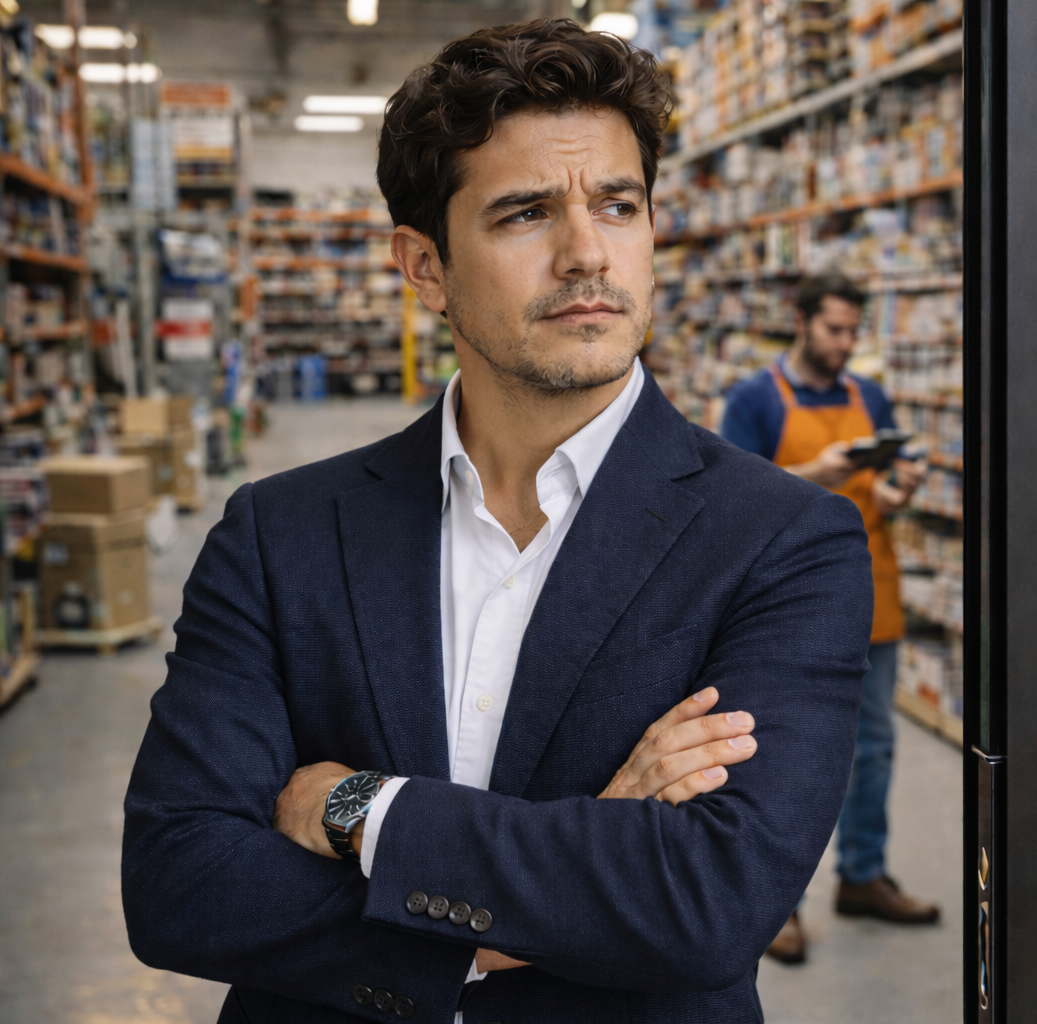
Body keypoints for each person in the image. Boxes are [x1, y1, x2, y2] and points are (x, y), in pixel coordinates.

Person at [120, 21, 875, 1024]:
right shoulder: (280, 534)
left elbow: (708, 902)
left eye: (618, 203)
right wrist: (575, 879)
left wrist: (358, 809)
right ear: (424, 267)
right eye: (525, 213)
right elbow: (182, 886)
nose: (586, 252)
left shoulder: (784, 541)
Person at [720, 272, 938, 966]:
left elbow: (884, 489)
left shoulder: (868, 395)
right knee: (780, 758)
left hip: (872, 591)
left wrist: (897, 488)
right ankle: (774, 904)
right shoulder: (755, 400)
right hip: (782, 608)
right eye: (833, 329)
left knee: (872, 751)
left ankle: (864, 876)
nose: (844, 344)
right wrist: (822, 468)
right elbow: (736, 505)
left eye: (852, 331)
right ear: (803, 321)